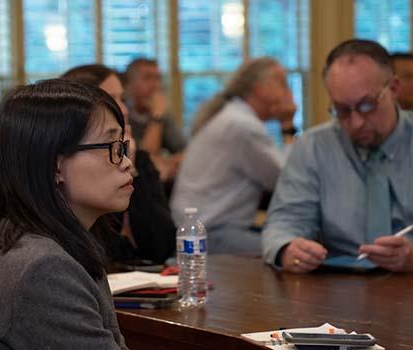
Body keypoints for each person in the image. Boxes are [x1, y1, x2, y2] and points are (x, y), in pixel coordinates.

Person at [0, 79, 132, 349]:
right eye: (110, 147)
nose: (126, 163)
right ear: (55, 166)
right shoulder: (45, 268)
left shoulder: (39, 243)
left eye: (122, 147)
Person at [262, 39, 413, 273]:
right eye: (342, 110)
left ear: (393, 88)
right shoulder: (313, 147)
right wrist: (288, 248)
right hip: (339, 283)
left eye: (367, 105)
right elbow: (284, 222)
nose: (356, 122)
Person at [170, 57, 296, 256]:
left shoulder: (233, 116)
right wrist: (287, 125)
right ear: (260, 88)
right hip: (208, 233)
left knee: (289, 239)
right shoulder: (243, 125)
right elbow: (286, 179)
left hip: (203, 227)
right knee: (293, 251)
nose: (288, 92)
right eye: (282, 83)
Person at [61, 64, 176, 264]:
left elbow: (162, 246)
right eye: (110, 99)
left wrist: (132, 169)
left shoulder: (136, 158)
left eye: (122, 99)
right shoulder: (79, 167)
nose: (122, 109)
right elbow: (105, 252)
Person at [124, 58, 186, 182]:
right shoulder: (123, 114)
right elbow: (143, 163)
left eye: (157, 78)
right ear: (130, 85)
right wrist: (156, 117)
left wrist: (163, 162)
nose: (155, 85)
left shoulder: (164, 115)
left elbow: (187, 153)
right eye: (147, 78)